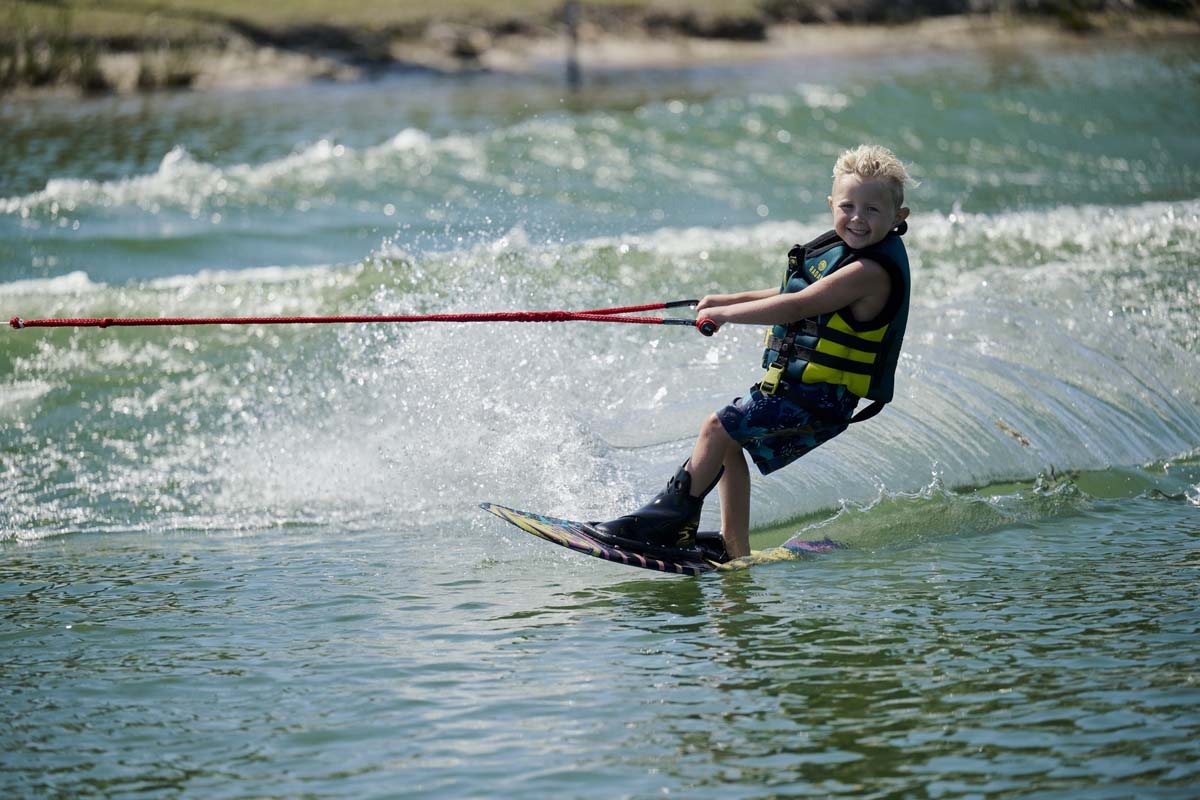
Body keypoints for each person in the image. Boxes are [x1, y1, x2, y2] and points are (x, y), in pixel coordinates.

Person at [592, 144, 913, 561]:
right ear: (831, 204)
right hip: (803, 391)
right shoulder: (845, 257)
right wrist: (725, 299)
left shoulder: (868, 272)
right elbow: (794, 292)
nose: (857, 218)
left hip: (821, 398)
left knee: (717, 427)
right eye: (848, 206)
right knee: (728, 441)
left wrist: (726, 315)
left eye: (872, 210)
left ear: (897, 218)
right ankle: (734, 548)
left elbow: (798, 306)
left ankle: (663, 521)